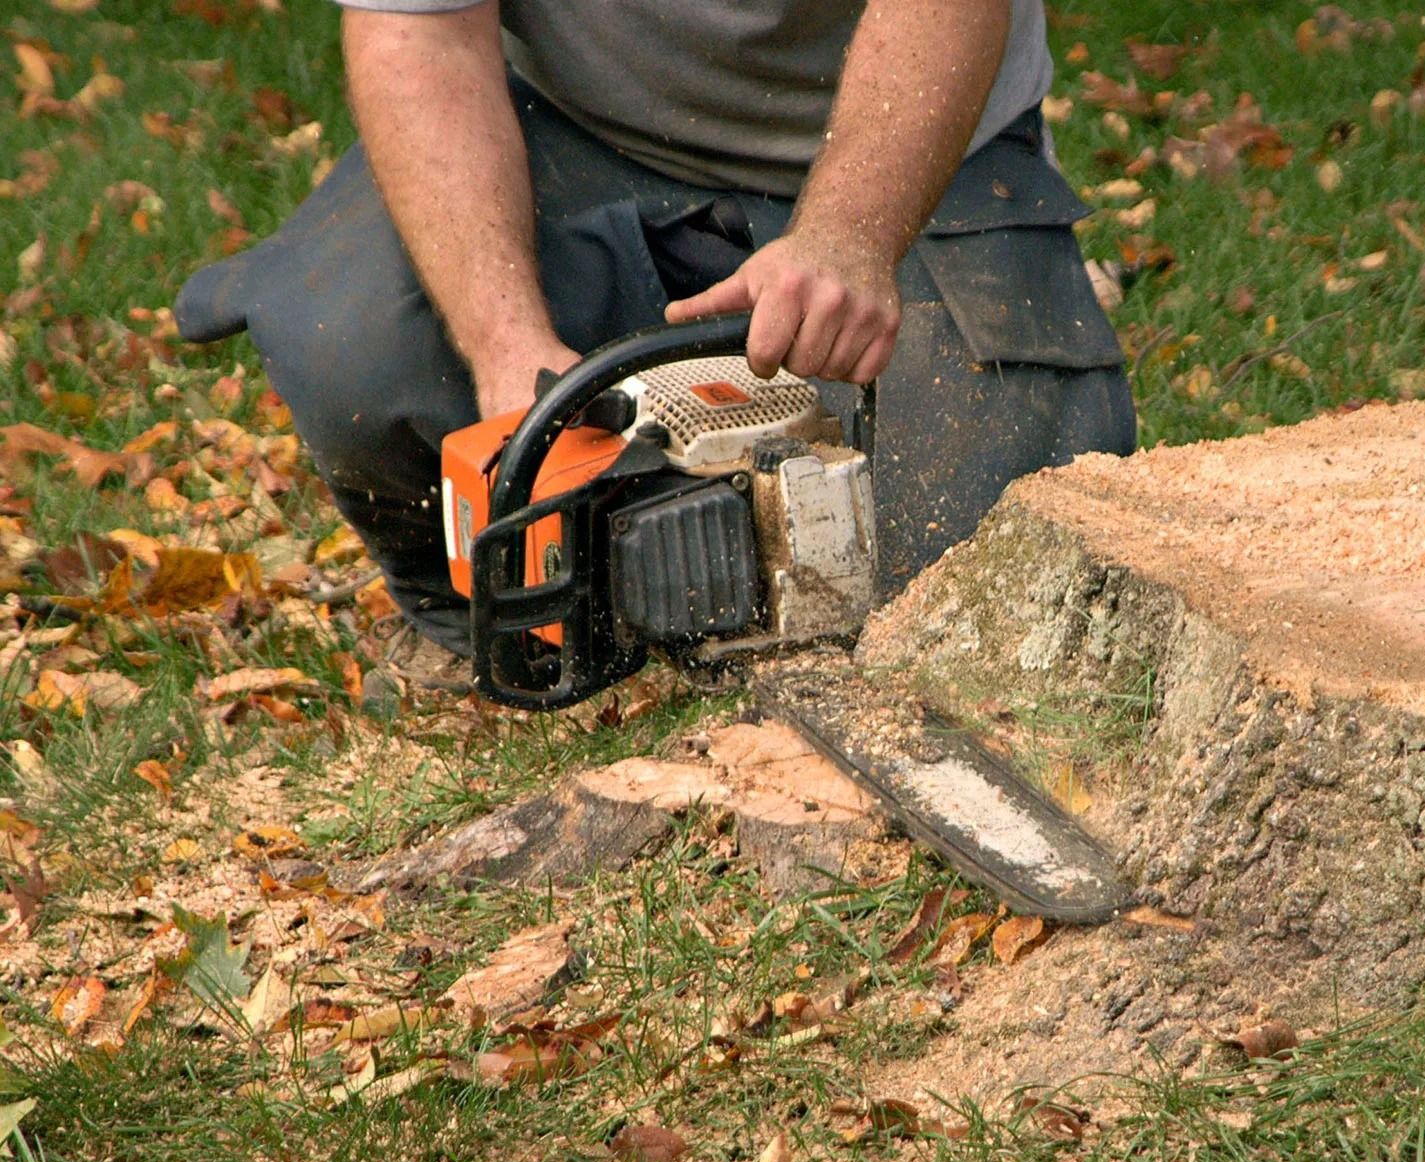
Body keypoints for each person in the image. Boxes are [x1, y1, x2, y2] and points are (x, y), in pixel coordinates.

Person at [174, 0, 1134, 669]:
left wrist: (852, 234)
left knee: (979, 563)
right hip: (579, 128)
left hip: (918, 147)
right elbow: (414, 37)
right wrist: (508, 349)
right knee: (354, 345)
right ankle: (472, 610)